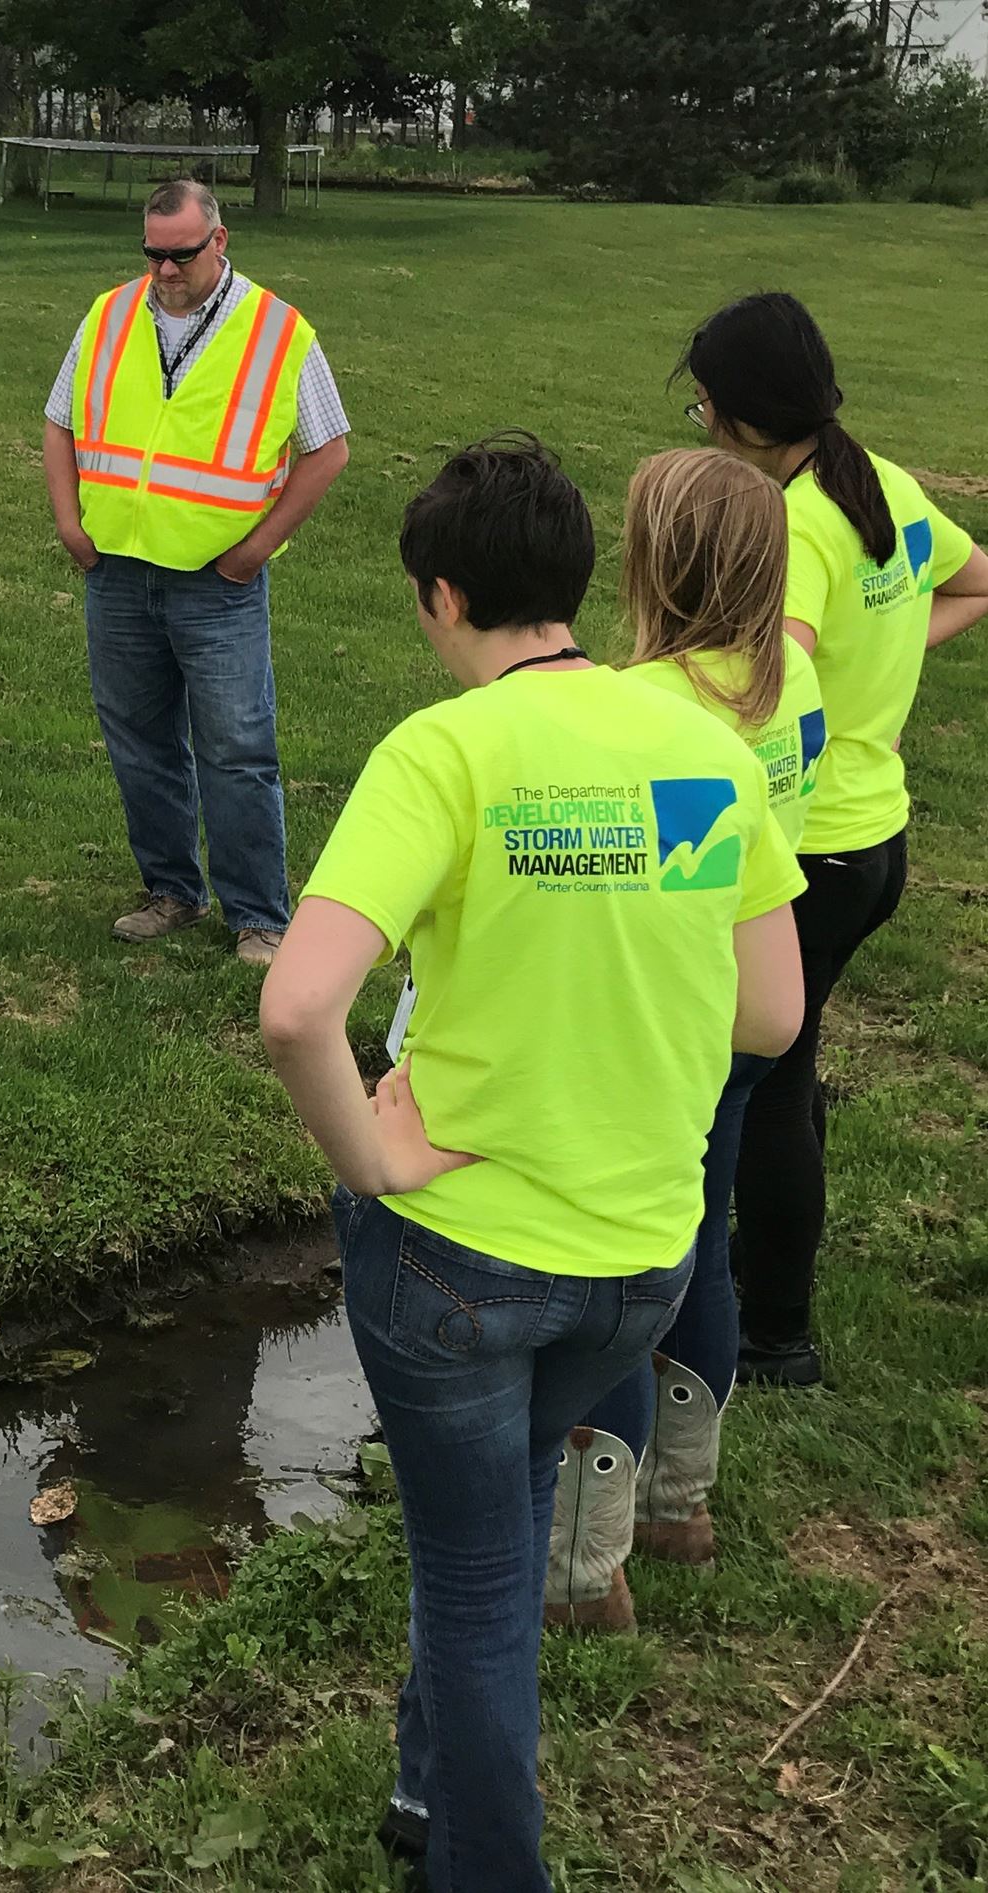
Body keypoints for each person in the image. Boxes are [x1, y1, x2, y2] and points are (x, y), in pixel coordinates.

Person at [258, 435, 802, 1891]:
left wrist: (371, 1157)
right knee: (491, 1510)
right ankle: (431, 1789)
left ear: (441, 598)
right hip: (641, 1263)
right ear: (578, 585)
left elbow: (298, 1005)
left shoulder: (445, 752)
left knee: (481, 1576)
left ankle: (483, 1866)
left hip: (460, 1265)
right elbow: (772, 1011)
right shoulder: (704, 752)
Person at [680, 292, 988, 1387]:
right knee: (787, 1064)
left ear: (744, 416)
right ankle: (758, 1283)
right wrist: (886, 655)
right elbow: (971, 579)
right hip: (877, 837)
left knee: (764, 1083)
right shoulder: (886, 484)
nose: (701, 427)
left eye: (705, 406)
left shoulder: (793, 520)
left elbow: (776, 669)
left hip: (810, 850)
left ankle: (773, 1333)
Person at [545, 448, 824, 1632]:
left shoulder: (647, 703)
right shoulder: (789, 686)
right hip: (751, 1009)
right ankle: (677, 1501)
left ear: (655, 560)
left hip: (669, 1025)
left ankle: (580, 1559)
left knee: (625, 1262)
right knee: (697, 1241)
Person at [43, 178, 353, 968]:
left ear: (220, 242)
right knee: (140, 741)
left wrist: (255, 550)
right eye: (152, 252)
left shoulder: (281, 332)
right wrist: (70, 522)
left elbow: (328, 449)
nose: (164, 269)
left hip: (220, 584)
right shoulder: (111, 313)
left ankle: (258, 916)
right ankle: (172, 891)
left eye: (180, 254)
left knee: (237, 746)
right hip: (117, 572)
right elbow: (60, 419)